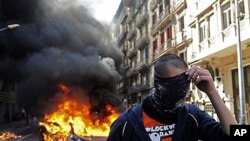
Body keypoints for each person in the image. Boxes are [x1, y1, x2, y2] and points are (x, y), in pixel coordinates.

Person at [106, 54, 237, 141]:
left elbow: (238, 134)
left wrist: (212, 92)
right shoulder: (127, 123)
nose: (180, 91)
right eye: (174, 84)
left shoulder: (192, 116)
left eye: (185, 83)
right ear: (158, 84)